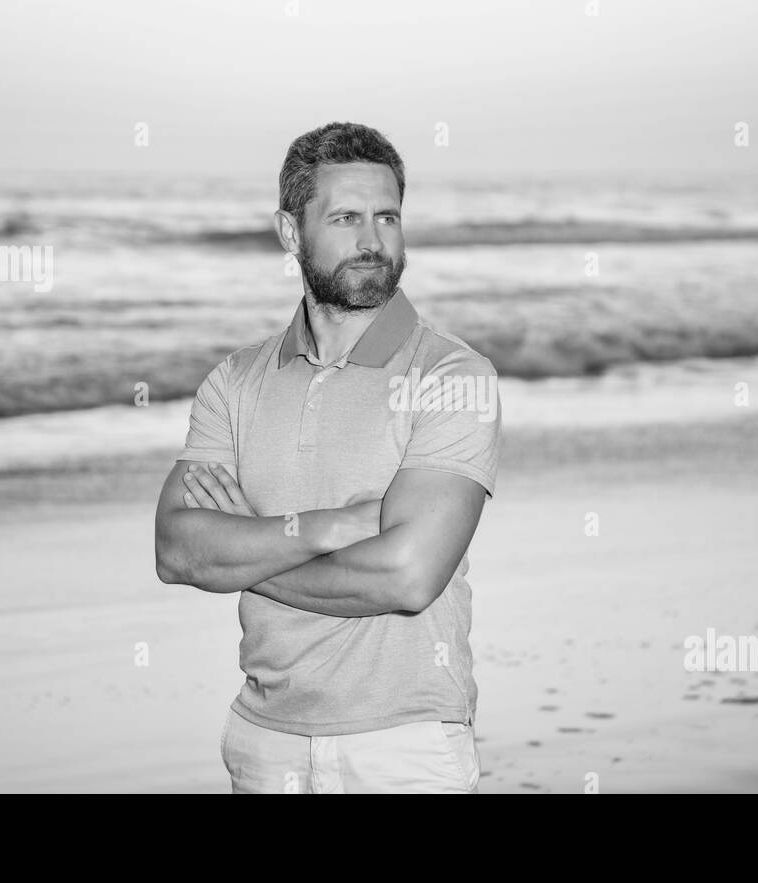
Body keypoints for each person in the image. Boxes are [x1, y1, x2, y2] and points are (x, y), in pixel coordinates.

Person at [154, 121, 502, 793]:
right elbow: (175, 550)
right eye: (345, 217)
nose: (373, 241)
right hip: (263, 739)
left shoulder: (454, 375)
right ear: (290, 233)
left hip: (404, 744)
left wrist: (245, 554)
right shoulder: (236, 381)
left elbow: (406, 576)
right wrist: (328, 525)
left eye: (387, 217)